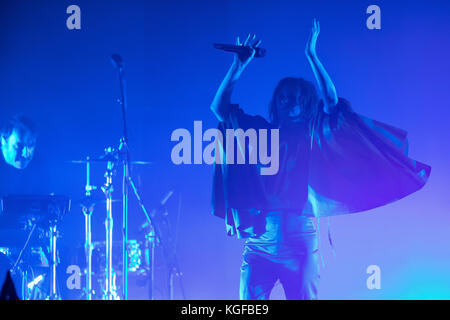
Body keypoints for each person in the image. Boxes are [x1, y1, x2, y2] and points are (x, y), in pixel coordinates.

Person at [210, 20, 431, 300]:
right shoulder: (261, 132)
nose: (290, 103)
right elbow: (220, 109)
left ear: (307, 103)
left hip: (300, 240)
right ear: (276, 101)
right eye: (285, 98)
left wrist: (312, 57)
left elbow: (332, 103)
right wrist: (238, 66)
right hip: (259, 242)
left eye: (298, 98)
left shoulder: (312, 133)